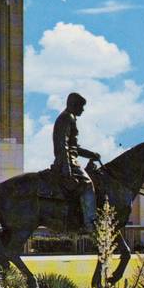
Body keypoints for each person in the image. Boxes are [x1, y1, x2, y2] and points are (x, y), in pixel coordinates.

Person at [51, 92, 100, 231]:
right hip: (67, 161)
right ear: (73, 105)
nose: (83, 110)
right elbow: (64, 146)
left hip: (69, 158)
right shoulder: (67, 117)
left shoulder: (68, 117)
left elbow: (74, 147)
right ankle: (90, 223)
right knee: (88, 184)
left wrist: (90, 154)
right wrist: (67, 170)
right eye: (81, 106)